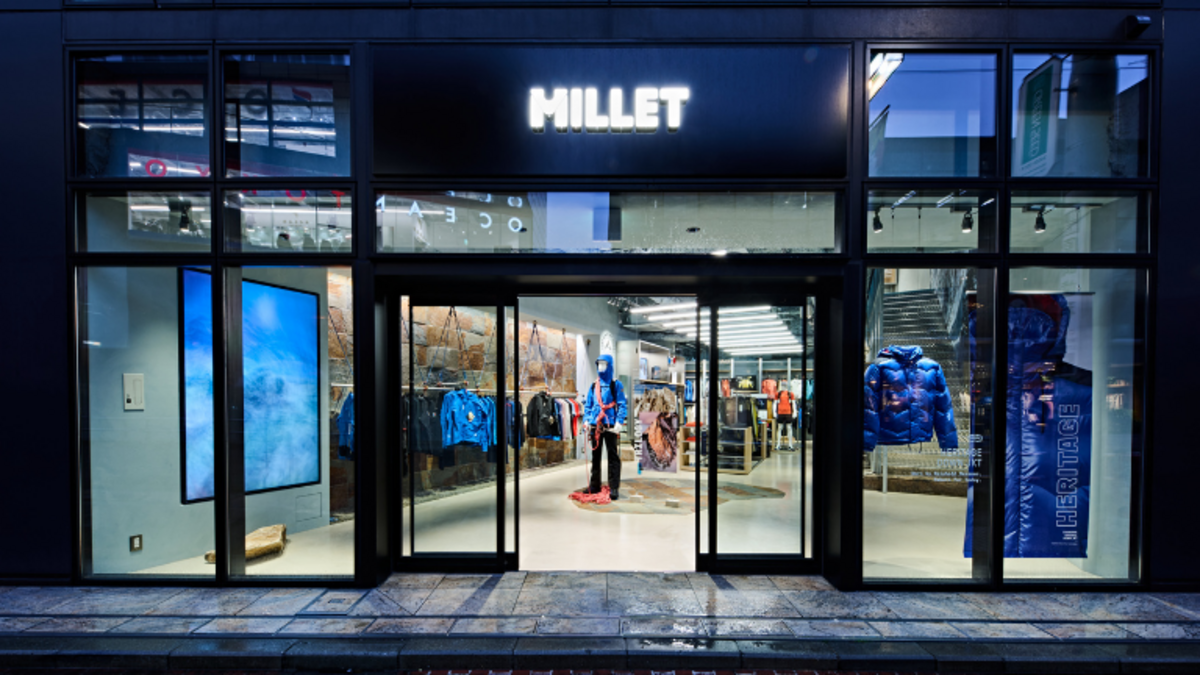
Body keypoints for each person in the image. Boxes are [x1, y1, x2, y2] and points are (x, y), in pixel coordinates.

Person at [583, 354, 627, 500]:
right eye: (599, 364)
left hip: (610, 425)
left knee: (612, 456)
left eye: (604, 364)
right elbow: (589, 405)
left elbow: (622, 404)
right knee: (595, 456)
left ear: (609, 365)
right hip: (596, 425)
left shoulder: (616, 385)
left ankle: (614, 486)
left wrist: (619, 421)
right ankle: (594, 484)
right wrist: (587, 420)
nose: (601, 366)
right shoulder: (593, 386)